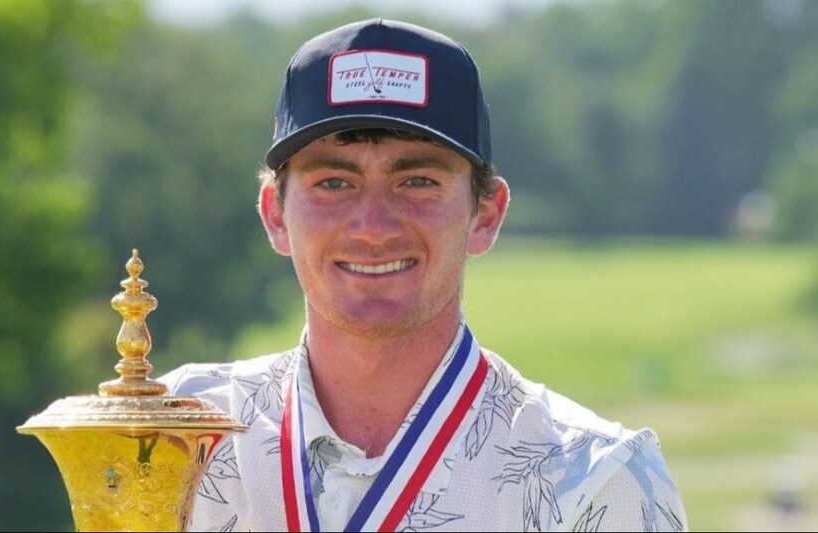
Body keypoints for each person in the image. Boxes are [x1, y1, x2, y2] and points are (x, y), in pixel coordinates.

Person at [161, 18, 687, 532]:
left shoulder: (594, 479)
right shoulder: (176, 435)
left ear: (486, 215)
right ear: (276, 215)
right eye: (333, 183)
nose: (372, 227)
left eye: (416, 180)